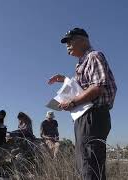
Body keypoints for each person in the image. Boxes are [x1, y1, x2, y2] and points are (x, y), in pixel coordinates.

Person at [48, 28, 117, 180]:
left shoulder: (94, 56)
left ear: (83, 40)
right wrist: (65, 79)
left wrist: (72, 102)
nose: (67, 46)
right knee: (85, 164)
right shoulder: (82, 63)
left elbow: (97, 87)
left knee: (89, 165)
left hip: (93, 116)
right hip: (85, 117)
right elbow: (81, 87)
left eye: (70, 41)